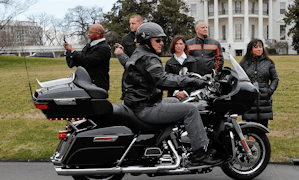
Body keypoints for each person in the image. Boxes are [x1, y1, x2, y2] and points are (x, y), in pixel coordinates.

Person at [115, 22, 221, 165]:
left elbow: (158, 76)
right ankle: (199, 153)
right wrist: (192, 82)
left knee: (177, 102)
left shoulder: (139, 53)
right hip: (146, 107)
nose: (161, 43)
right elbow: (162, 80)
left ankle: (173, 144)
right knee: (191, 110)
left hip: (139, 102)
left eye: (162, 40)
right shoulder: (149, 57)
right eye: (157, 40)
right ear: (147, 41)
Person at [239, 38, 279, 128]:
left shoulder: (268, 63)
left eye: (260, 47)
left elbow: (275, 79)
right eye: (256, 47)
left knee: (262, 128)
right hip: (249, 99)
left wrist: (269, 91)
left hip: (264, 99)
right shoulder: (244, 63)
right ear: (251, 49)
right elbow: (240, 79)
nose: (259, 49)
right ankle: (251, 142)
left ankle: (261, 141)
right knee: (250, 127)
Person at [64, 24, 111, 91]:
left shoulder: (104, 48)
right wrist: (69, 52)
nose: (88, 34)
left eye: (91, 32)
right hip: (86, 82)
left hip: (98, 85)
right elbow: (79, 61)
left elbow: (87, 61)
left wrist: (73, 51)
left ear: (98, 34)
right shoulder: (89, 45)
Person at [165, 36, 197, 100]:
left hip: (189, 95)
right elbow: (167, 80)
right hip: (173, 96)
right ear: (173, 46)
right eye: (176, 44)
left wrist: (185, 92)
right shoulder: (169, 63)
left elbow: (194, 79)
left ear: (184, 45)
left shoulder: (192, 61)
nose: (178, 46)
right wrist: (176, 93)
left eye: (180, 44)